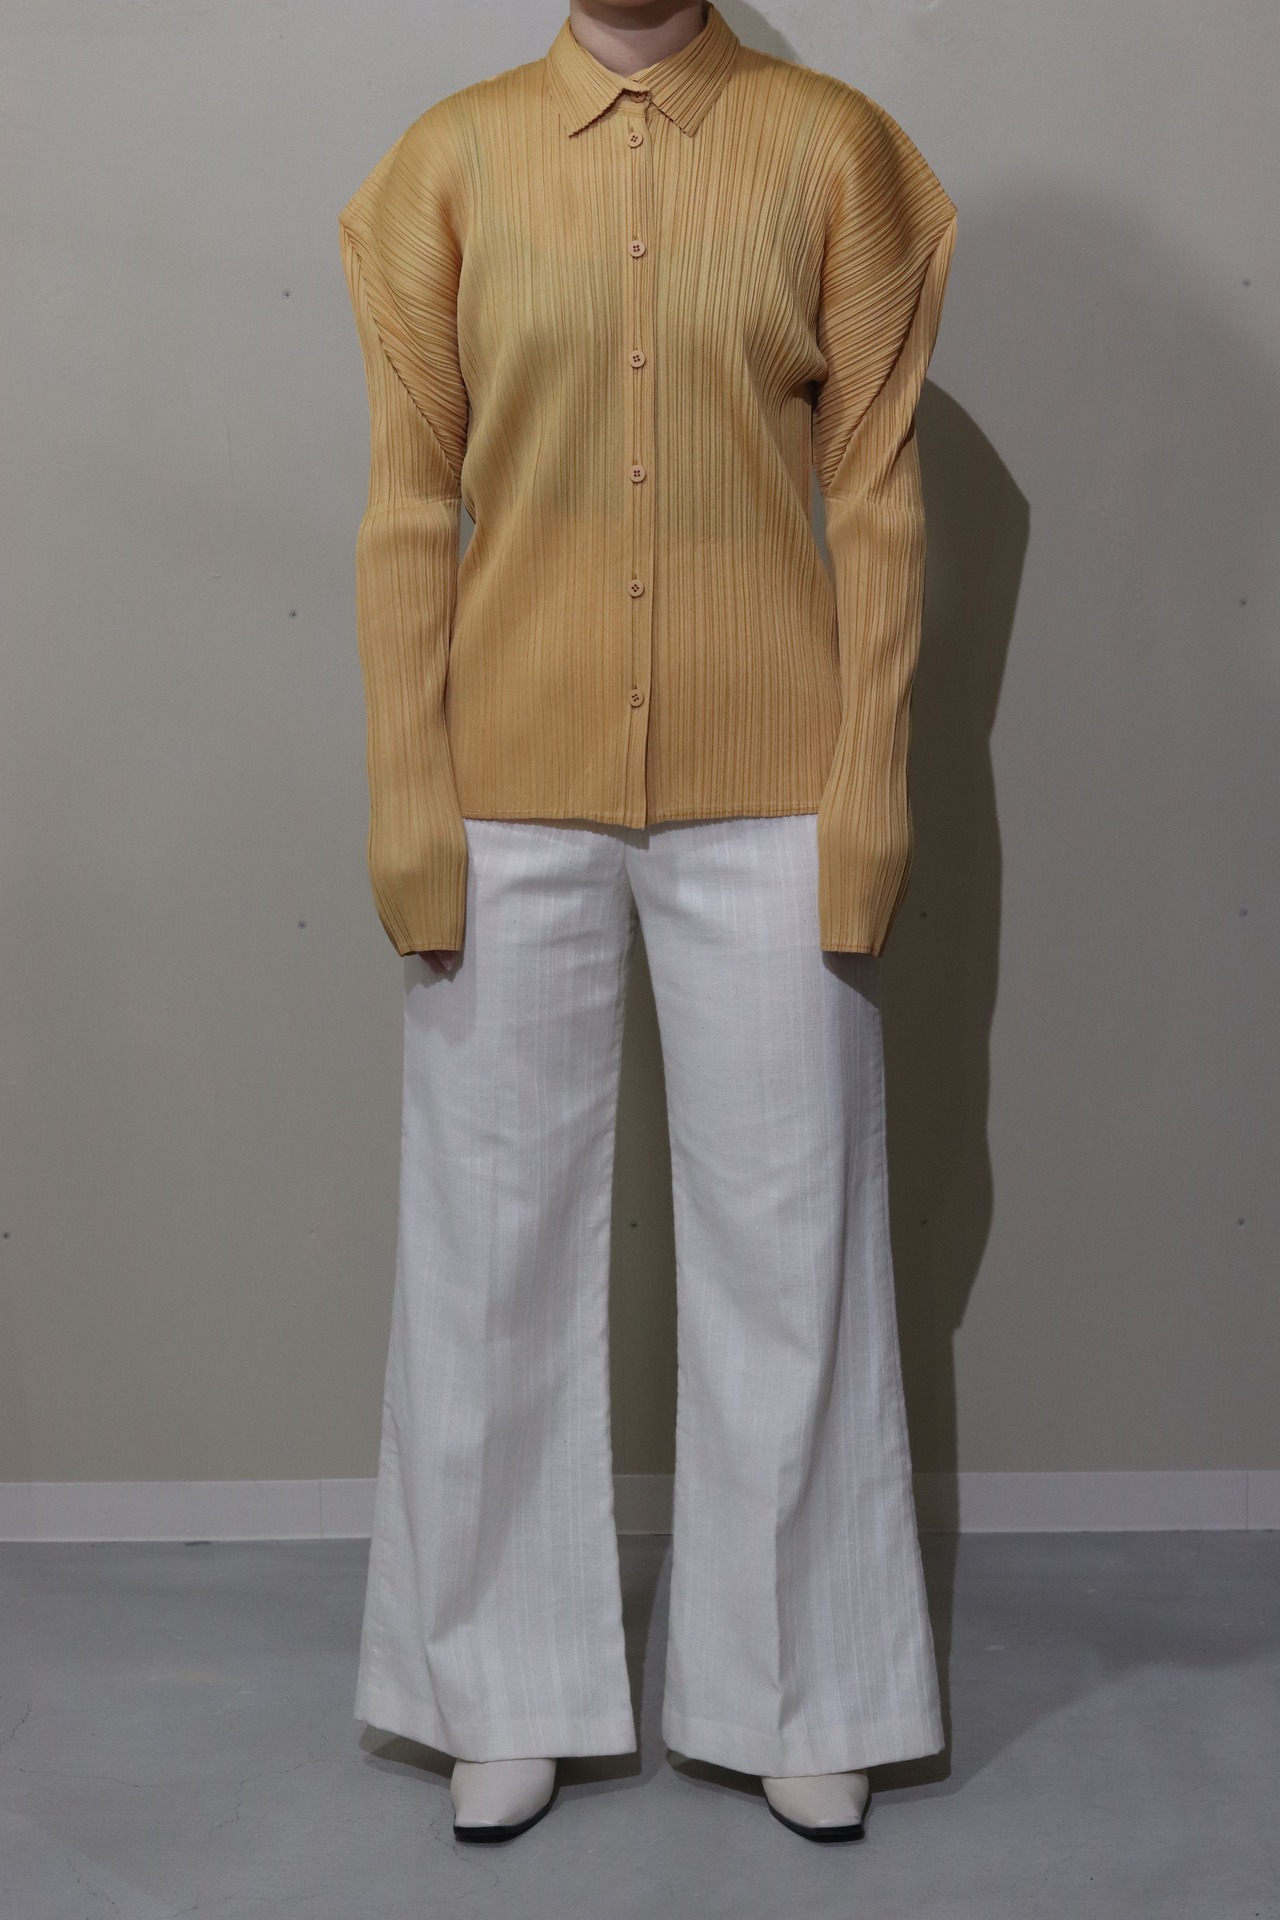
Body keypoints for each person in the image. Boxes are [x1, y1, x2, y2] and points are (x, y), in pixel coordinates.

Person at [338, 0, 957, 1846]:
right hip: (503, 783)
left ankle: (803, 1686)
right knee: (491, 1242)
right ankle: (498, 1685)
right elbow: (405, 503)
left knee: (792, 1236)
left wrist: (871, 787)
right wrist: (407, 799)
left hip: (775, 780)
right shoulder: (446, 163)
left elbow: (878, 496)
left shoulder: (832, 150)